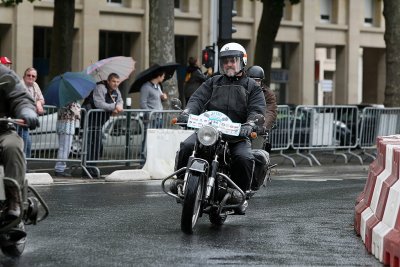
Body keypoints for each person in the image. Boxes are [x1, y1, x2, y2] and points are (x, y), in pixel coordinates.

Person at [174, 42, 266, 214]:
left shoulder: (252, 87)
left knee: (244, 158)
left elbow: (257, 110)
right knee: (187, 145)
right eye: (225, 61)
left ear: (242, 62)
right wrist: (187, 112)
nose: (229, 64)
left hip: (236, 135)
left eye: (233, 60)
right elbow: (197, 99)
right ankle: (180, 181)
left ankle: (238, 193)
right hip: (209, 132)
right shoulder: (213, 82)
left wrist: (251, 123)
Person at [0, 64, 40, 220]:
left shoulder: (4, 73)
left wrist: (26, 110)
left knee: (13, 146)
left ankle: (14, 200)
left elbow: (19, 96)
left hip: (1, 130)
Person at [85, 73, 124, 177]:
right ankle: (87, 169)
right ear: (108, 81)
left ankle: (93, 167)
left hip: (101, 120)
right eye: (113, 81)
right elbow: (99, 104)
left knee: (97, 145)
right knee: (91, 144)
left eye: (117, 82)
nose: (116, 84)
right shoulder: (100, 88)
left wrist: (118, 106)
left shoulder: (116, 91)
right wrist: (115, 106)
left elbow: (120, 101)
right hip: (91, 119)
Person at [139, 69, 168, 161]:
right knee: (148, 138)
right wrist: (150, 113)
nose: (163, 78)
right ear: (158, 76)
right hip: (151, 118)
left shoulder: (158, 86)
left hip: (159, 117)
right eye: (163, 76)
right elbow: (143, 103)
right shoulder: (146, 87)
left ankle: (153, 159)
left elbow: (159, 99)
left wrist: (164, 98)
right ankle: (144, 159)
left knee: (157, 139)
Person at [18, 67, 45, 159]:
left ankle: (23, 166)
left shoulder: (35, 85)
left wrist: (38, 103)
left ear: (36, 78)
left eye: (33, 76)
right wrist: (35, 104)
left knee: (26, 145)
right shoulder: (19, 85)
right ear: (24, 76)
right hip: (18, 120)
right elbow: (22, 100)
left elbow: (42, 99)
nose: (31, 77)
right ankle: (23, 166)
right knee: (24, 144)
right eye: (28, 75)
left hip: (27, 120)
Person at [54, 102, 81, 177]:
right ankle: (59, 169)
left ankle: (59, 168)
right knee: (65, 148)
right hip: (67, 126)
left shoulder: (62, 100)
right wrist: (78, 111)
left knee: (64, 148)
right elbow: (76, 111)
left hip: (63, 125)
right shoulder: (70, 101)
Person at [247, 65, 277, 130]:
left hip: (258, 127)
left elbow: (270, 112)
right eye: (254, 80)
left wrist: (263, 126)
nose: (256, 83)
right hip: (243, 125)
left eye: (258, 81)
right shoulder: (242, 90)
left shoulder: (268, 94)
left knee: (259, 140)